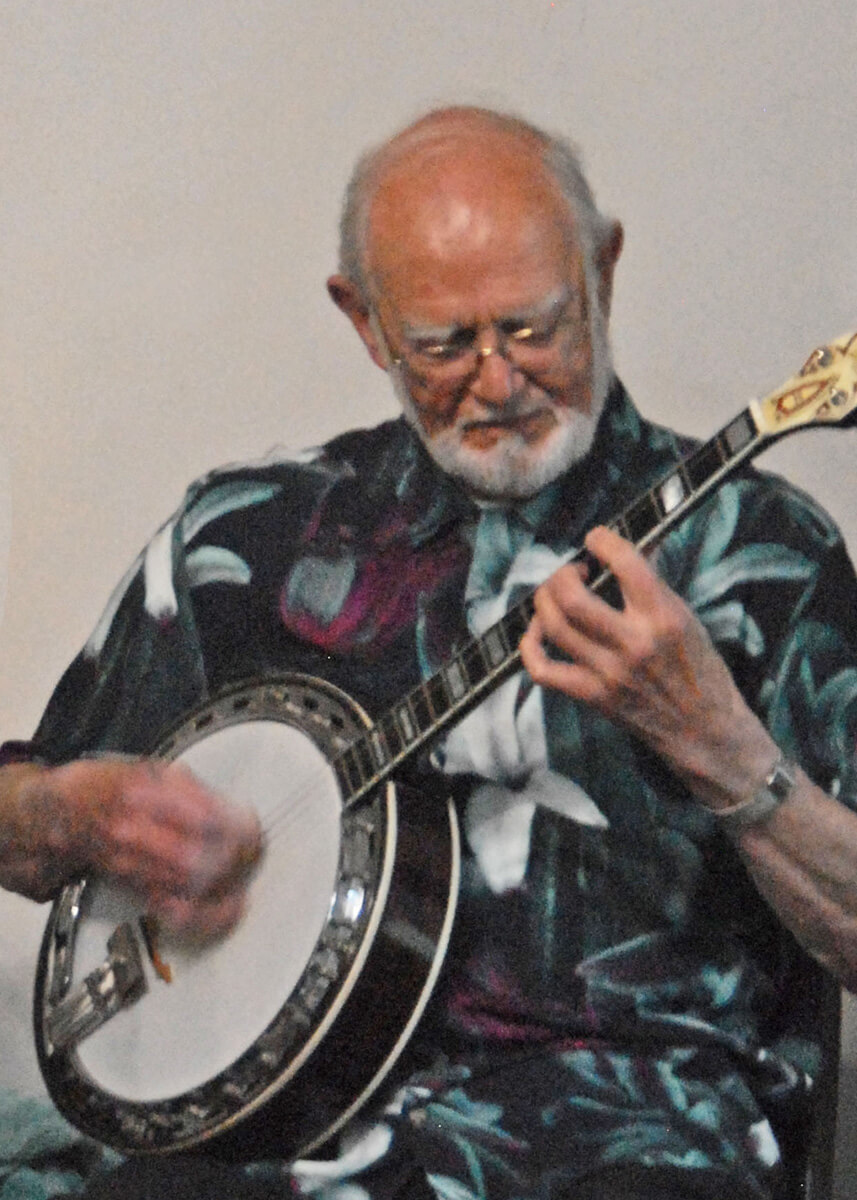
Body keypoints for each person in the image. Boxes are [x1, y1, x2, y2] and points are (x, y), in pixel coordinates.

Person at [2, 106, 857, 1200]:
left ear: (603, 269)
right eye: (445, 345)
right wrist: (70, 812)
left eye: (534, 328)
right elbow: (18, 816)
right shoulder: (244, 538)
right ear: (364, 324)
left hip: (626, 1143)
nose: (498, 383)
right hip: (264, 1146)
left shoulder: (761, 555)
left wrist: (723, 752)